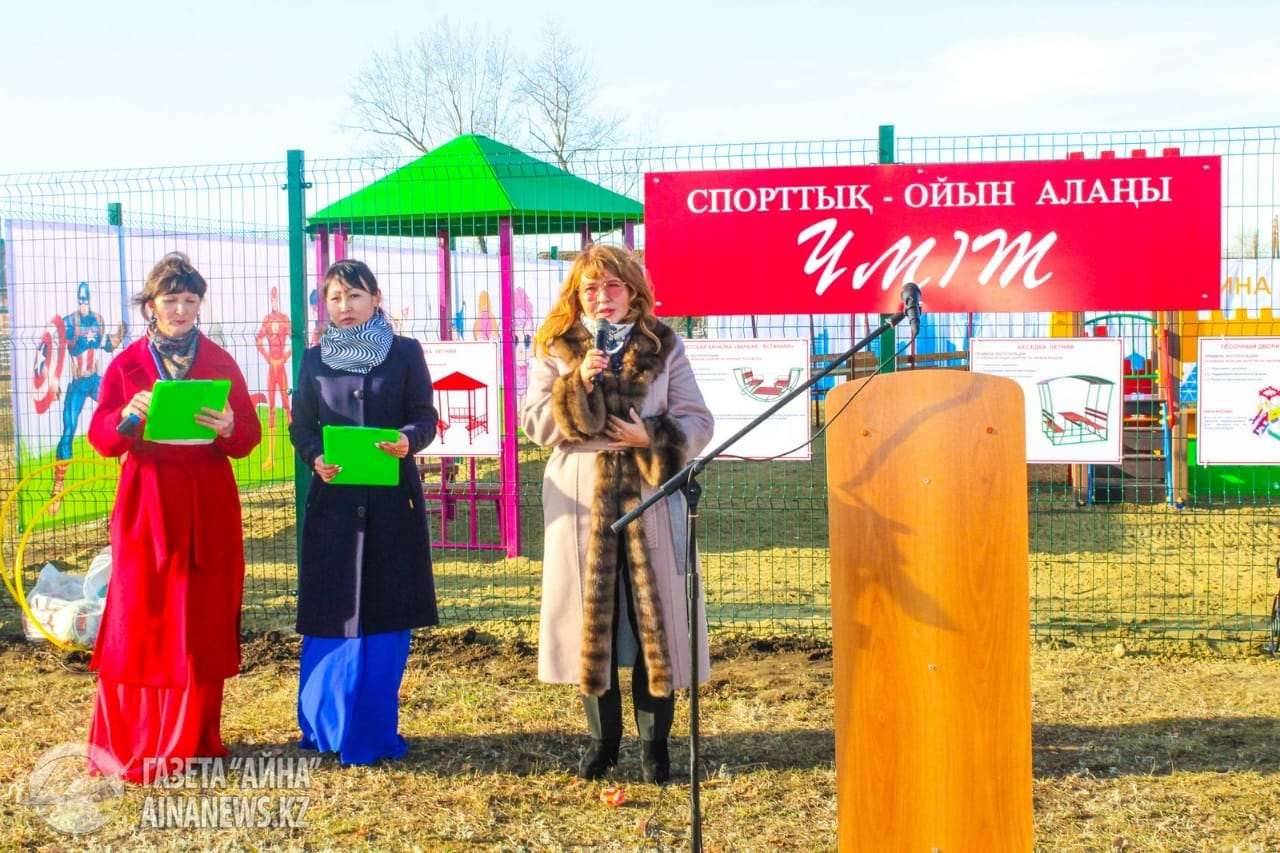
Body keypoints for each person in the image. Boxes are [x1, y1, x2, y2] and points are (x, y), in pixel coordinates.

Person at [521, 244, 714, 784]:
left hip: (651, 498)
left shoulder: (664, 345)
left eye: (612, 286)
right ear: (575, 295)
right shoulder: (555, 346)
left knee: (658, 624)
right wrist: (577, 381)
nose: (601, 297)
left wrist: (648, 436)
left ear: (632, 290)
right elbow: (535, 424)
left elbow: (697, 419)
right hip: (581, 500)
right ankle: (602, 744)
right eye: (590, 288)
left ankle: (658, 750)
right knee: (593, 622)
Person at [86, 252, 261, 783]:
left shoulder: (221, 362)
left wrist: (231, 423)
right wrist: (127, 417)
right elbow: (101, 440)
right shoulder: (125, 365)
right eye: (171, 300)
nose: (181, 310)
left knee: (203, 616)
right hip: (148, 505)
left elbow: (248, 439)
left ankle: (196, 736)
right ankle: (137, 739)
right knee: (144, 618)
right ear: (151, 305)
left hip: (209, 504)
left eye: (190, 300)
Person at [288, 259, 439, 765]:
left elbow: (425, 417)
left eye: (354, 296)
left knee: (384, 617)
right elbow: (301, 426)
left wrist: (407, 439)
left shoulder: (404, 354)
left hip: (392, 507)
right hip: (332, 508)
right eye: (334, 298)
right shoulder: (312, 360)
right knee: (333, 614)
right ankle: (325, 728)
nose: (344, 307)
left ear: (375, 298)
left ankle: (371, 731)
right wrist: (315, 457)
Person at [48, 281, 125, 513]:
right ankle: (58, 486)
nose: (83, 304)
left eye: (86, 300)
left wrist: (119, 336)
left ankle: (126, 479)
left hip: (94, 380)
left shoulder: (97, 319)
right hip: (78, 384)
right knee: (69, 429)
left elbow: (106, 344)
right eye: (81, 300)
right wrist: (54, 380)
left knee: (122, 416)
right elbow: (57, 351)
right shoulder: (70, 322)